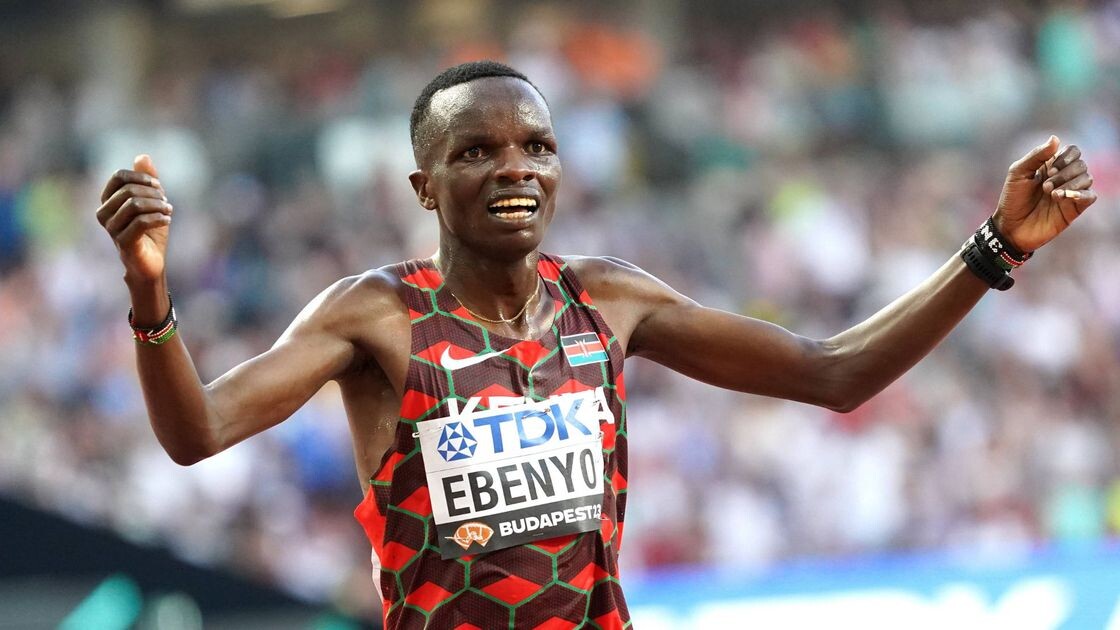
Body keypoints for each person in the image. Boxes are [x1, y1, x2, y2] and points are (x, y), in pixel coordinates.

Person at [96, 60, 1097, 628]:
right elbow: (197, 431)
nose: (514, 168)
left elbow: (834, 373)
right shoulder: (376, 316)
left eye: (536, 146)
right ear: (423, 187)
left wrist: (996, 246)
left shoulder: (606, 300)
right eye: (477, 151)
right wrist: (149, 291)